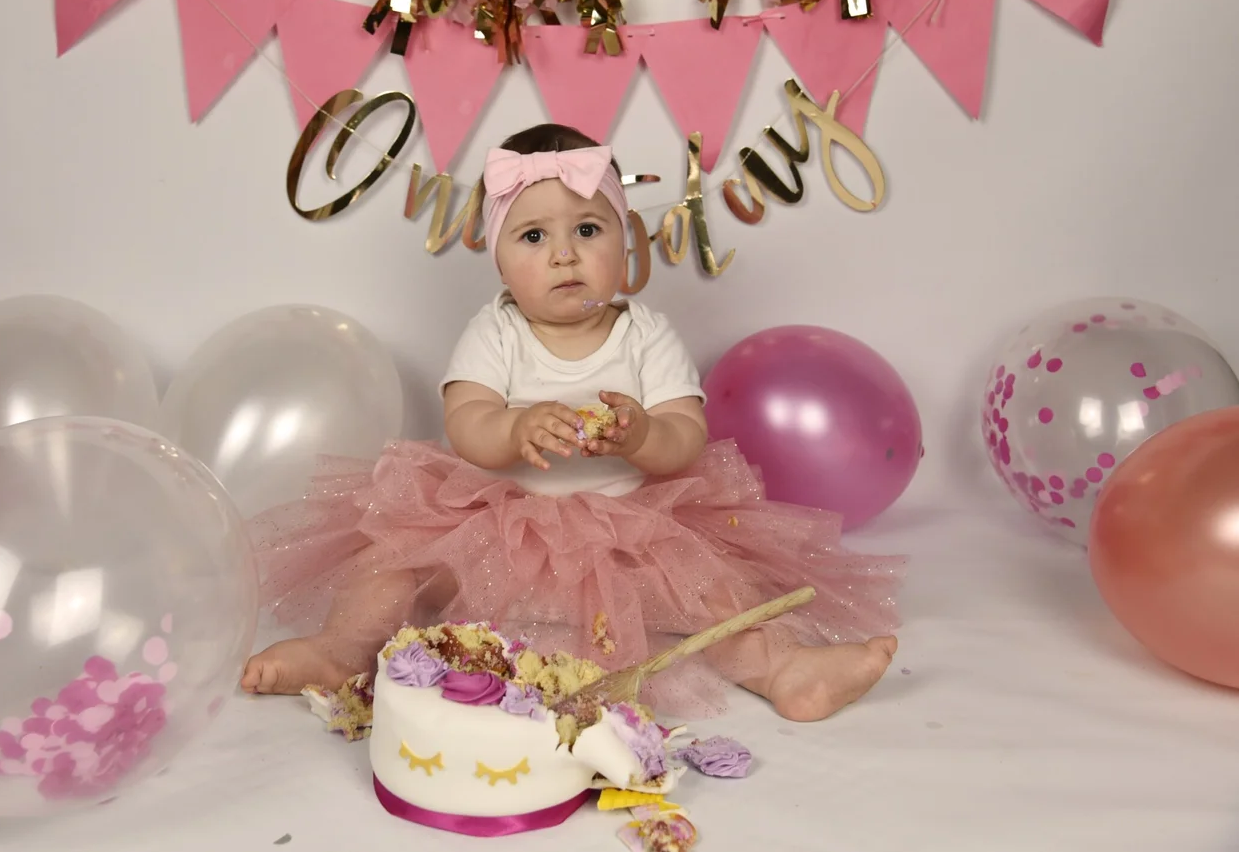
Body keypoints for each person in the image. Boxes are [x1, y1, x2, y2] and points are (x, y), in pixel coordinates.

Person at [242, 123, 904, 721]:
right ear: (499, 257)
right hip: (495, 524)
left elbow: (685, 437)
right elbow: (466, 420)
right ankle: (340, 648)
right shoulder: (496, 332)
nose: (564, 255)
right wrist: (513, 429)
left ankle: (786, 668)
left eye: (587, 230)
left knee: (718, 587)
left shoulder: (645, 335)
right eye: (534, 236)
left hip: (628, 526)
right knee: (387, 557)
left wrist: (643, 435)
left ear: (626, 241)